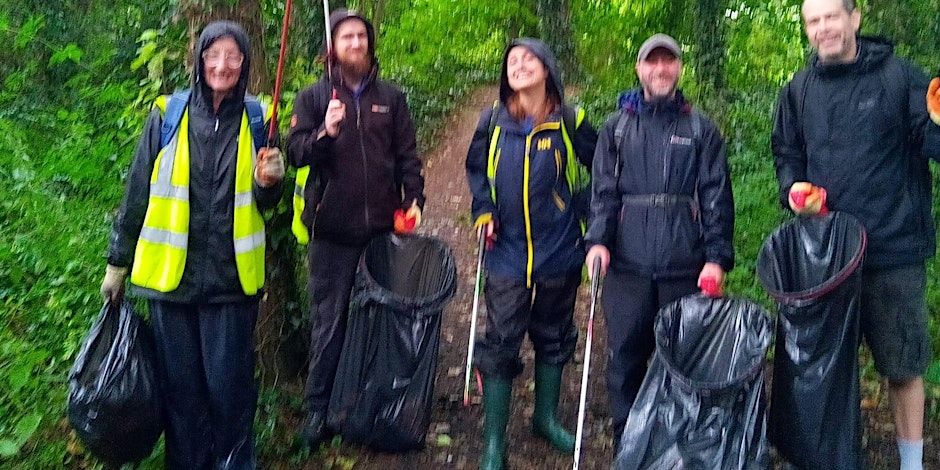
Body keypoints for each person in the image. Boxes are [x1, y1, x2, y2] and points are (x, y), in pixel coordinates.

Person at [99, 21, 284, 469]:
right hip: (169, 285)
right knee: (182, 399)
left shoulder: (259, 118)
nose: (223, 65)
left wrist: (272, 181)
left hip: (230, 284)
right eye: (214, 55)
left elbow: (267, 202)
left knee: (230, 395)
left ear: (245, 63)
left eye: (233, 56)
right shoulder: (167, 114)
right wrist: (117, 264)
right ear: (200, 60)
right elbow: (137, 191)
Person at [772, 1, 940, 468]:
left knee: (902, 367)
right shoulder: (800, 89)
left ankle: (911, 463)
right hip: (827, 256)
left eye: (831, 16)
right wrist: (793, 188)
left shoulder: (900, 78)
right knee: (827, 369)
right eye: (813, 20)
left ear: (855, 18)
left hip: (893, 252)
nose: (823, 28)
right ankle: (837, 457)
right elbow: (786, 150)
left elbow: (934, 142)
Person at [583, 33, 735, 451]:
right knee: (625, 359)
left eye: (669, 62)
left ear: (679, 69)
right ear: (639, 68)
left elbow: (716, 195)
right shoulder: (616, 129)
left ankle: (679, 445)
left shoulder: (701, 128)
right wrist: (597, 241)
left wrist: (717, 258)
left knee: (684, 360)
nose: (661, 69)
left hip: (684, 265)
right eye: (653, 62)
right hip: (626, 267)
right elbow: (602, 194)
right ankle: (627, 442)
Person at [286, 8, 425, 448]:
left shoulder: (392, 97)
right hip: (331, 232)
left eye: (361, 37)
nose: (356, 44)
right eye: (346, 37)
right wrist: (325, 133)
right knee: (330, 323)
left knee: (385, 319)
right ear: (333, 46)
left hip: (383, 230)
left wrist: (414, 201)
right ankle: (318, 411)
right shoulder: (313, 98)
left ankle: (374, 405)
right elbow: (294, 153)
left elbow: (408, 157)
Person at [465, 38, 597, 469]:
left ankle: (545, 418)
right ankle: (493, 445)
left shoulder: (570, 120)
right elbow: (475, 170)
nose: (518, 66)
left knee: (554, 334)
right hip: (505, 251)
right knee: (501, 341)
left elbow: (608, 170)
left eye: (528, 60)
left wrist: (579, 209)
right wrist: (483, 210)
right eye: (512, 62)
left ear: (548, 69)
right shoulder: (494, 121)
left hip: (559, 249)